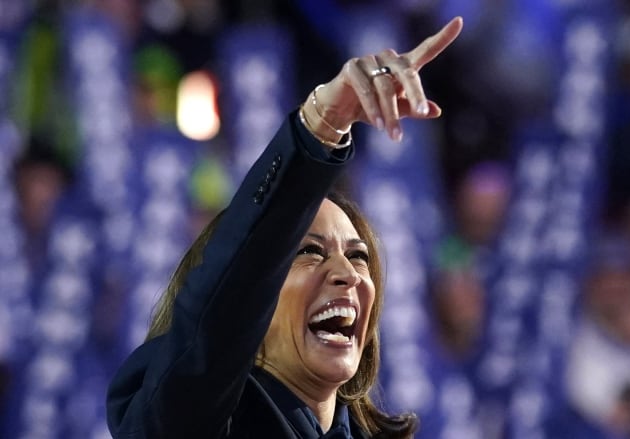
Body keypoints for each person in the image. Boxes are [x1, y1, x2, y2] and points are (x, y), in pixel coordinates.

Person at [106, 17, 464, 438]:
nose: (347, 274)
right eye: (309, 252)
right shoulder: (184, 422)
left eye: (358, 256)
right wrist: (320, 127)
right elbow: (224, 302)